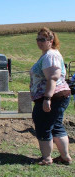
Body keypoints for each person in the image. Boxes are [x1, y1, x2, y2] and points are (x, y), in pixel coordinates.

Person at [30, 27, 72, 165]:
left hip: (52, 97)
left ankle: (47, 158)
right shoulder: (48, 54)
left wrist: (47, 99)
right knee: (56, 126)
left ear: (51, 40)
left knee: (43, 126)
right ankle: (65, 157)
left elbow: (53, 78)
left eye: (43, 39)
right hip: (58, 96)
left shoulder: (50, 55)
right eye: (38, 39)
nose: (39, 42)